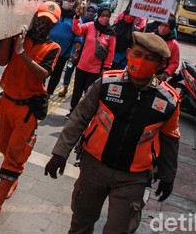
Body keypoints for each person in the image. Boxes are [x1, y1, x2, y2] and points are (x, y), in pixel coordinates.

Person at [45, 32, 181, 234]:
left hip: (134, 177)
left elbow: (170, 138)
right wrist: (60, 152)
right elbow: (79, 118)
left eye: (150, 59)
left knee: (120, 229)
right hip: (94, 168)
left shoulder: (168, 99)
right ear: (128, 53)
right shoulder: (107, 83)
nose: (142, 61)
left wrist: (168, 175)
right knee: (81, 222)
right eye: (138, 54)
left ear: (160, 64)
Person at [0, 2, 61, 217]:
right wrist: (12, 38)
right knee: (3, 146)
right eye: (41, 19)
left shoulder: (53, 48)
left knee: (15, 153)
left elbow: (43, 75)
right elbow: (0, 61)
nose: (43, 24)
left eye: (48, 22)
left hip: (27, 109)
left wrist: (23, 53)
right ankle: (14, 177)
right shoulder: (20, 36)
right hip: (7, 102)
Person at [68, 6, 116, 116]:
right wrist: (76, 18)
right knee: (77, 90)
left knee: (89, 93)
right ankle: (73, 110)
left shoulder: (111, 33)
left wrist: (106, 68)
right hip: (82, 65)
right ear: (98, 15)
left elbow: (111, 53)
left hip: (95, 69)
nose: (105, 18)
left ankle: (83, 113)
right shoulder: (90, 26)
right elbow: (77, 30)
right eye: (103, 15)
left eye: (108, 16)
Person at [58, 5, 97, 98]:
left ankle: (83, 93)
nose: (90, 13)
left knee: (81, 75)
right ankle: (65, 88)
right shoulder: (80, 21)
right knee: (69, 69)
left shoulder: (96, 26)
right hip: (75, 50)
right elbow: (76, 31)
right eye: (89, 10)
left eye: (92, 11)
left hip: (86, 54)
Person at [47, 0, 81, 97]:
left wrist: (76, 52)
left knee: (56, 73)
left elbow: (78, 36)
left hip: (63, 51)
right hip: (48, 47)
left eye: (70, 0)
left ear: (73, 3)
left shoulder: (75, 18)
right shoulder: (55, 12)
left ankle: (48, 93)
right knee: (44, 69)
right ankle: (39, 89)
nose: (68, 2)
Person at [155, 16, 180, 81]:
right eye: (161, 24)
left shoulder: (174, 44)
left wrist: (166, 73)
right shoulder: (151, 37)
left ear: (171, 28)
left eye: (166, 26)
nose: (163, 28)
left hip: (159, 74)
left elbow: (174, 63)